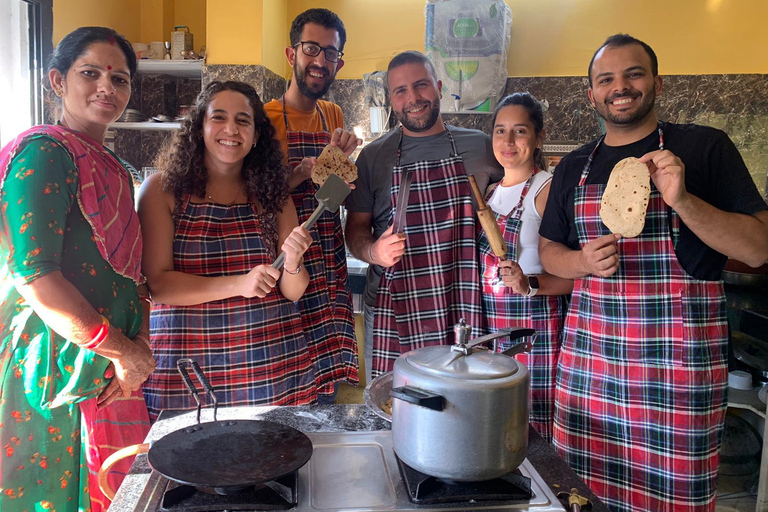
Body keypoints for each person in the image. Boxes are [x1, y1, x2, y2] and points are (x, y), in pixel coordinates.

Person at [538, 34, 768, 512]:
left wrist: (682, 198)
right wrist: (581, 262)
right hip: (589, 373)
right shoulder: (575, 165)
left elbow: (759, 248)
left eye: (633, 74)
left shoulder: (704, 148)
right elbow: (548, 253)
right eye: (606, 79)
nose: (620, 87)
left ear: (657, 82)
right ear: (592, 95)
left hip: (677, 375)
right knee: (580, 497)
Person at [0, 26, 156, 512]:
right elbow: (36, 277)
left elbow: (132, 277)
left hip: (112, 367)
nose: (107, 88)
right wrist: (123, 351)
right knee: (61, 496)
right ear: (57, 81)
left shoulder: (114, 166)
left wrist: (140, 346)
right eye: (90, 73)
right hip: (55, 370)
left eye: (120, 79)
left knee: (117, 494)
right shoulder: (45, 152)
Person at [138, 81, 314, 419]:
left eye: (243, 120)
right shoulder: (162, 190)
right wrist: (239, 284)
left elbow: (292, 292)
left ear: (257, 134)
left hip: (268, 366)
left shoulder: (274, 196)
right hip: (187, 371)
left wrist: (293, 263)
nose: (230, 129)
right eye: (218, 117)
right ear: (199, 126)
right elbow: (158, 285)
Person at [345, 50, 503, 378]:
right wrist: (374, 251)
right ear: (391, 99)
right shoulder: (374, 157)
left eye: (421, 85)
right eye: (401, 91)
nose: (413, 98)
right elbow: (355, 231)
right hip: (395, 308)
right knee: (396, 411)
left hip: (464, 304)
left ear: (439, 86)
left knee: (465, 409)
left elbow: (508, 215)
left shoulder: (482, 147)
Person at [264, 8, 359, 401]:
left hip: (328, 262)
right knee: (290, 383)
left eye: (331, 53)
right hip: (284, 261)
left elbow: (335, 195)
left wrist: (344, 170)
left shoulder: (331, 114)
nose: (321, 61)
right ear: (292, 54)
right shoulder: (264, 119)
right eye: (311, 49)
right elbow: (253, 196)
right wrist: (300, 172)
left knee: (327, 388)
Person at [478, 92, 572, 443]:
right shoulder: (488, 193)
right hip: (491, 327)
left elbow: (578, 277)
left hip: (536, 330)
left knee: (533, 427)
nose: (508, 141)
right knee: (498, 424)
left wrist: (528, 283)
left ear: (538, 137)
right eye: (501, 131)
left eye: (520, 131)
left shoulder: (546, 190)